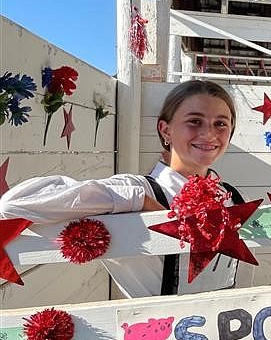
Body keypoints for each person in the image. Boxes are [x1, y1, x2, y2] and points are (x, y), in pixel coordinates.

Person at [0, 80, 244, 298]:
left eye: (220, 123)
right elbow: (14, 205)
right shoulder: (137, 189)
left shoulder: (231, 197)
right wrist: (138, 200)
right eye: (194, 121)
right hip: (154, 339)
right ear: (165, 129)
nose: (209, 133)